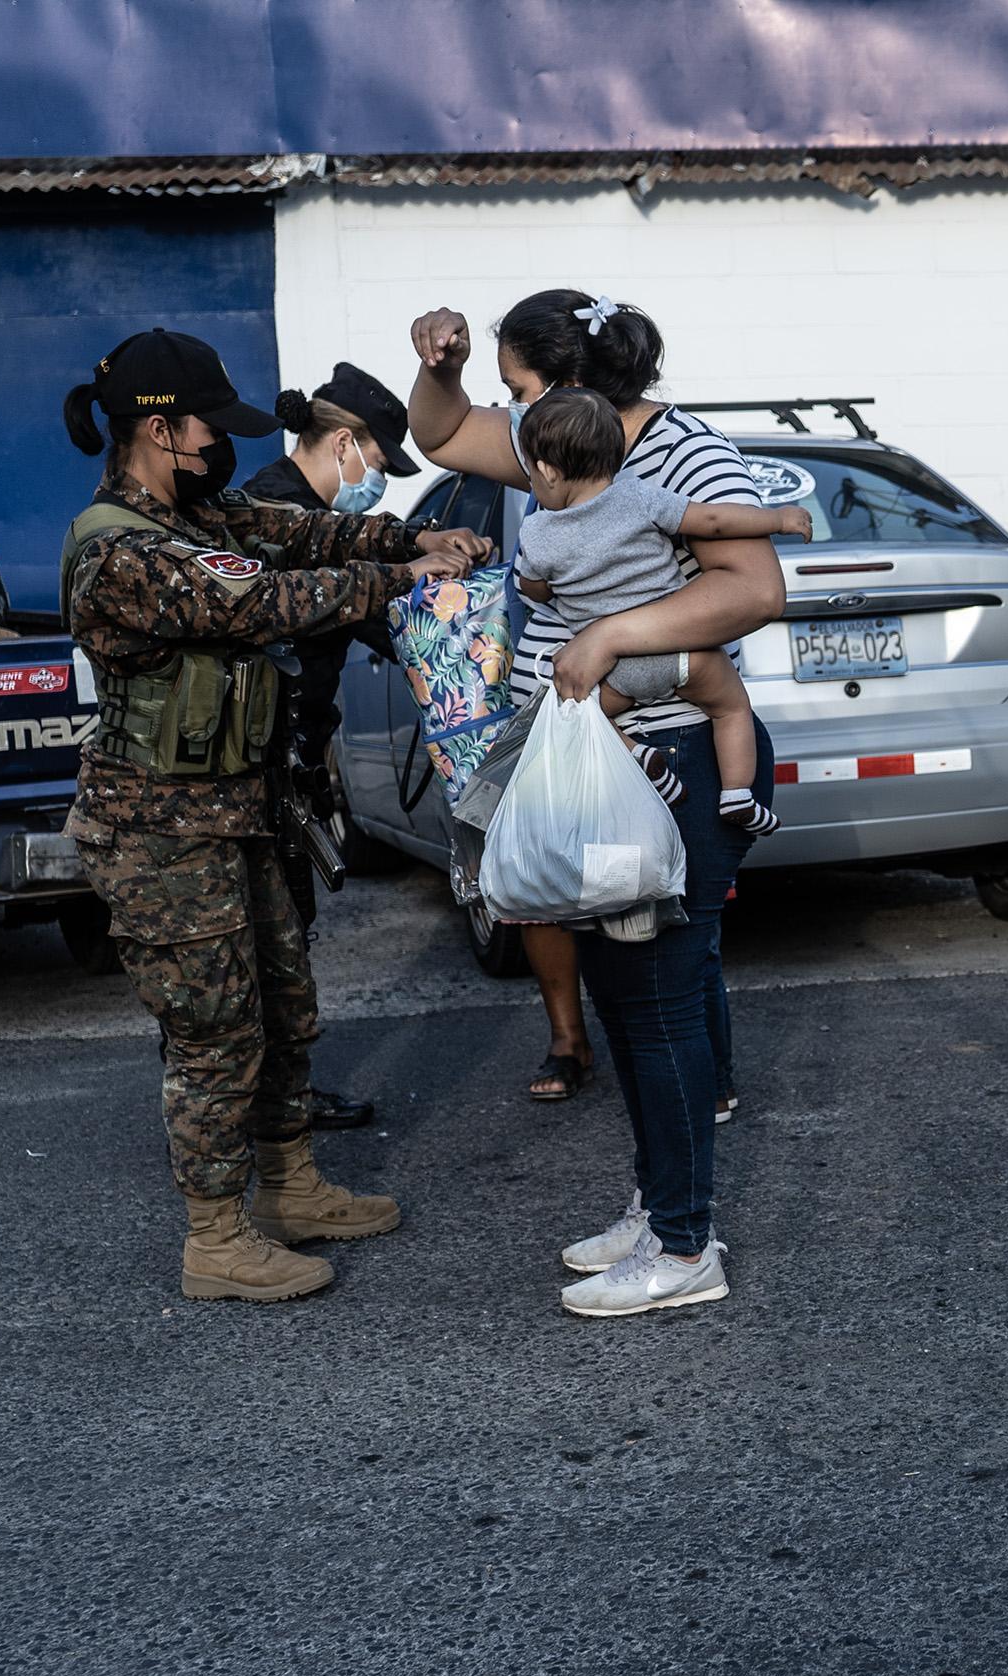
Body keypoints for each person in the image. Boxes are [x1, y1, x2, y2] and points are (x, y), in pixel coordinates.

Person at [56, 328, 488, 1302]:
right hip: (162, 833)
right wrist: (396, 579)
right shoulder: (118, 549)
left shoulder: (206, 513)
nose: (224, 443)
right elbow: (264, 600)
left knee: (286, 1008)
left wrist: (410, 537)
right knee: (216, 1030)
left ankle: (292, 1189)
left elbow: (304, 533)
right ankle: (217, 1237)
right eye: (210, 425)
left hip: (242, 812)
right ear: (160, 431)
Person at [408, 290, 785, 1316]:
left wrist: (614, 638)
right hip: (590, 758)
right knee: (624, 992)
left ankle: (683, 1243)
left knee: (658, 999)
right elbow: (437, 431)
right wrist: (436, 366)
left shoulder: (684, 456)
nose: (508, 413)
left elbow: (754, 588)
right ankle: (659, 1198)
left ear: (571, 388)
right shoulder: (559, 443)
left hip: (664, 760)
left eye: (516, 388)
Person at [238, 361, 424, 1131]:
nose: (377, 481)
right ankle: (247, 1108)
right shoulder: (268, 514)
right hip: (254, 772)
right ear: (344, 443)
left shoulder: (323, 524)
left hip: (297, 768)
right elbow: (340, 591)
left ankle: (281, 1094)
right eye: (378, 463)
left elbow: (384, 618)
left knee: (287, 944)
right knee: (251, 951)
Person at [510, 385, 799, 835]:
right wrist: (778, 520)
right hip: (683, 657)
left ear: (546, 472)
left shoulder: (537, 534)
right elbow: (714, 520)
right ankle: (739, 796)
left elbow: (535, 588)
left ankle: (639, 755)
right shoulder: (640, 497)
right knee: (731, 708)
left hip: (616, 674)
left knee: (582, 718)